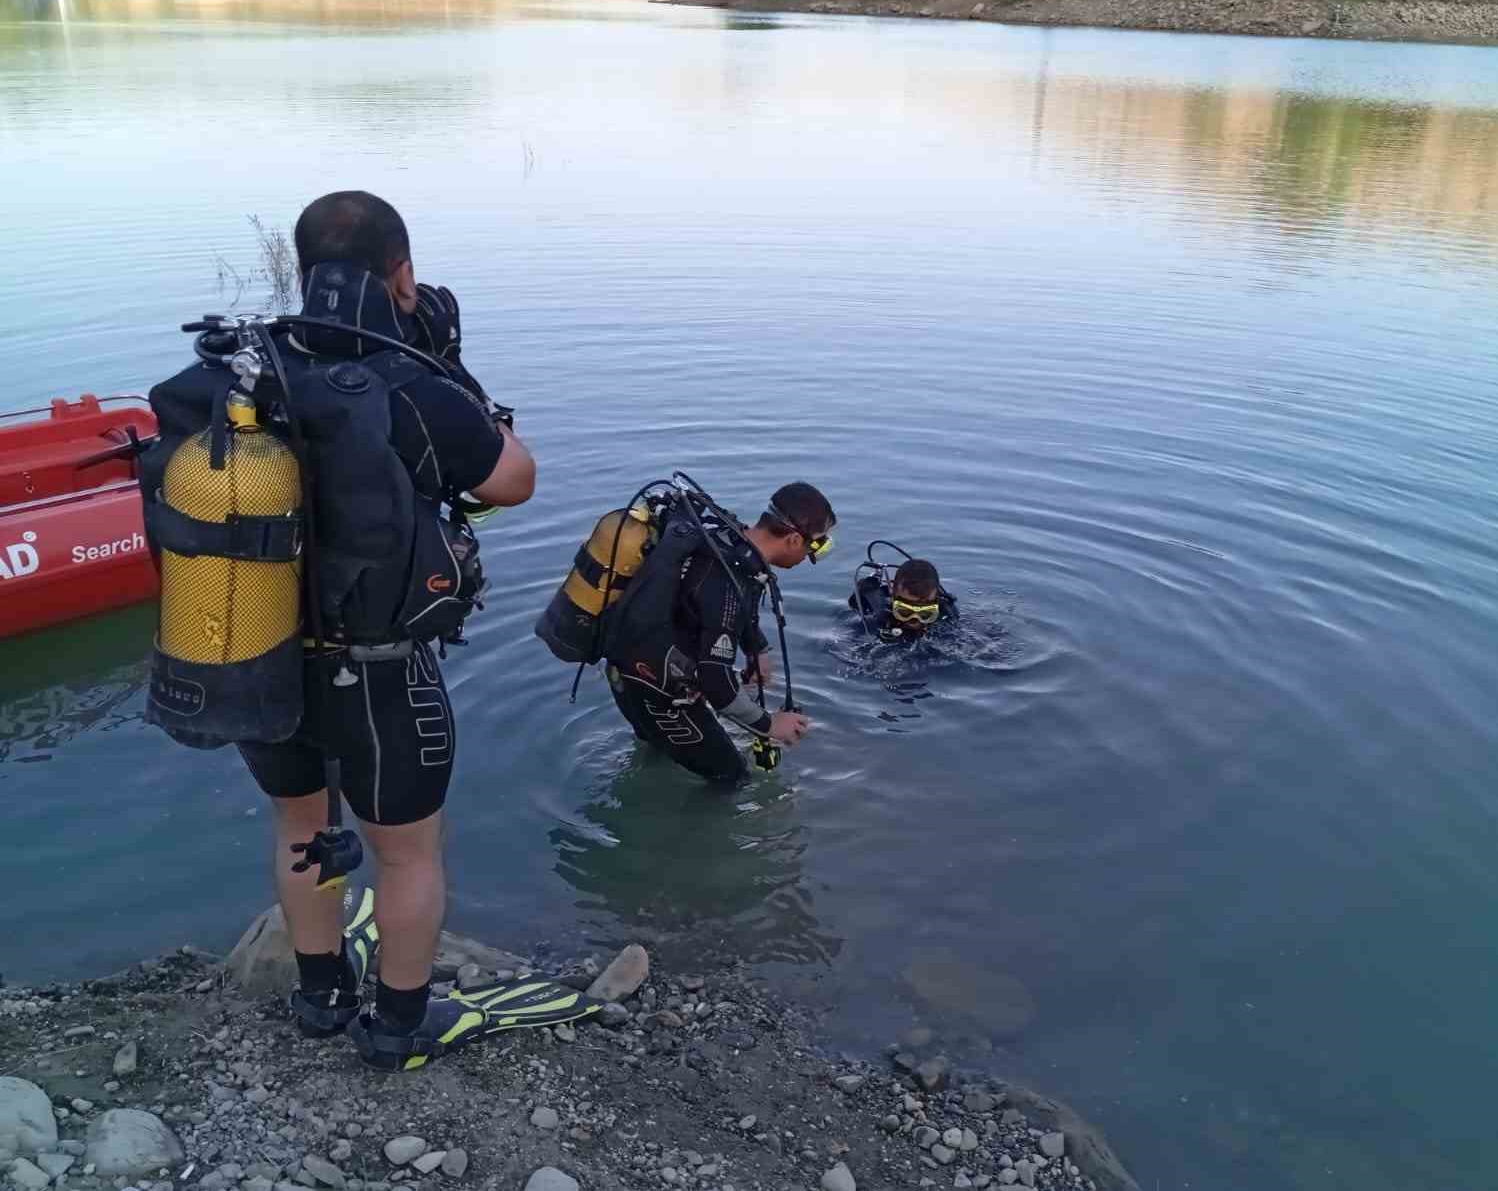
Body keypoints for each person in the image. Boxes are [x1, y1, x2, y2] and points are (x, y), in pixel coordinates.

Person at [144, 190, 589, 1070]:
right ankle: (398, 1025)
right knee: (409, 852)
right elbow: (514, 483)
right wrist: (482, 407)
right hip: (377, 673)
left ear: (302, 272)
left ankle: (319, 995)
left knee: (300, 826)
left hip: (246, 642)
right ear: (404, 277)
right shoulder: (406, 385)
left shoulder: (241, 369)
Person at [605, 482, 836, 783]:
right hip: (656, 692)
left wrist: (757, 649)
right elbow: (718, 686)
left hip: (625, 672)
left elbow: (715, 609)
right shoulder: (729, 580)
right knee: (732, 776)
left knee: (659, 751)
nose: (811, 556)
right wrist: (770, 725)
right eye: (817, 545)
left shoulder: (726, 541)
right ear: (794, 539)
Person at [850, 554, 959, 642]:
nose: (914, 620)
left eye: (926, 614)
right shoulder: (878, 611)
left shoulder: (946, 615)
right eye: (904, 611)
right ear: (892, 593)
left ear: (937, 599)